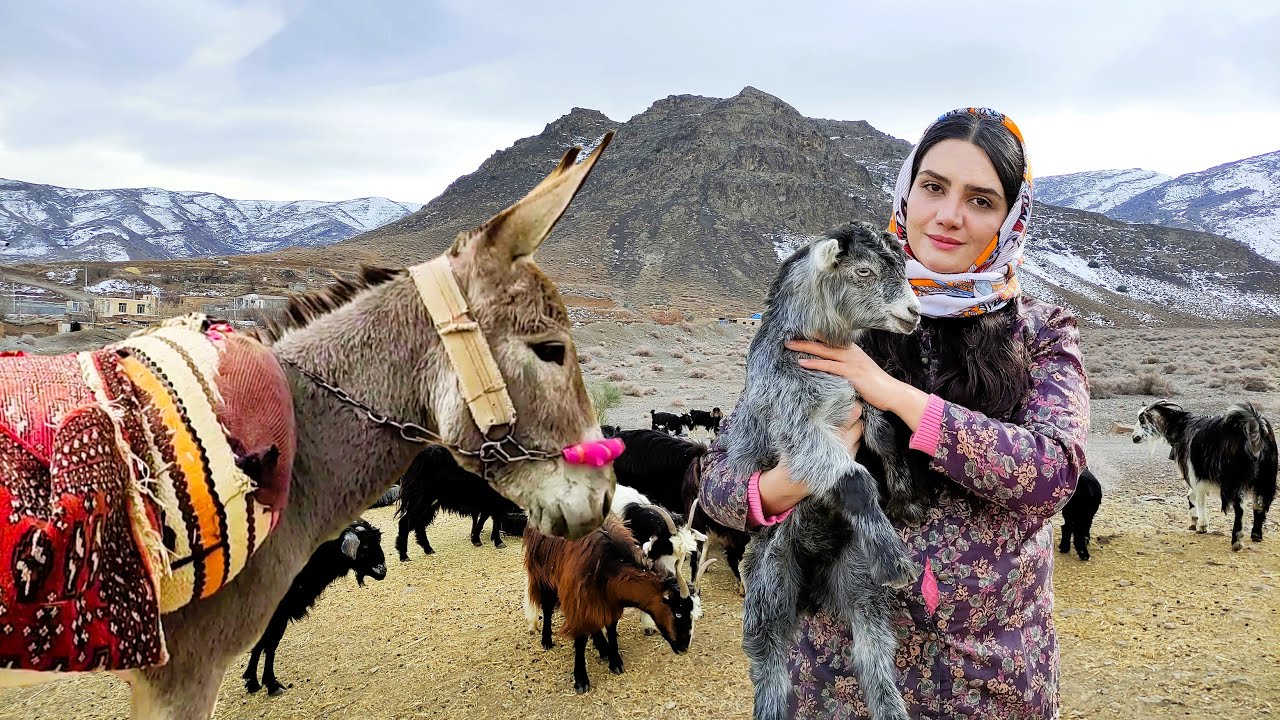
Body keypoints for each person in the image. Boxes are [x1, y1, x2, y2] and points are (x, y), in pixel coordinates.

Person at [700, 107, 1089, 719]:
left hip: (987, 676)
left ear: (1010, 218)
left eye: (981, 199)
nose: (949, 215)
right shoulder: (822, 323)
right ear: (907, 193)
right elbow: (719, 484)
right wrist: (784, 485)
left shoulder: (1038, 331)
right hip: (837, 681)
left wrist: (895, 395)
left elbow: (1053, 473)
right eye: (933, 187)